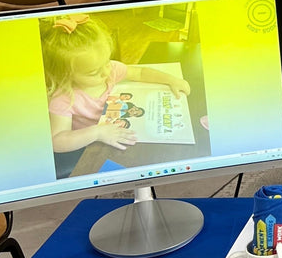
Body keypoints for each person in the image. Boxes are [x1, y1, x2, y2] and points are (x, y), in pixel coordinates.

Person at [40, 12, 190, 158]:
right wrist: (97, 133)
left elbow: (140, 73)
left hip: (123, 127)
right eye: (93, 72)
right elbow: (57, 140)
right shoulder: (64, 98)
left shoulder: (110, 70)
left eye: (106, 63)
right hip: (90, 144)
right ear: (65, 74)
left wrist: (171, 80)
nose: (106, 72)